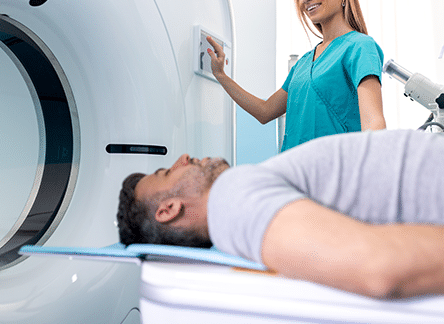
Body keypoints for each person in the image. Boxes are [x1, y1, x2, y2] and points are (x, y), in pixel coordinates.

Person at [117, 129, 444, 298]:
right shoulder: (232, 200)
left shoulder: (235, 209)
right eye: (166, 173)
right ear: (169, 209)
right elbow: (379, 267)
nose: (184, 157)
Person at [206, 0, 386, 151]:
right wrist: (221, 75)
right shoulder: (303, 63)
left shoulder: (360, 47)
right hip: (293, 170)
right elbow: (264, 111)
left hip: (335, 171)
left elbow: (373, 122)